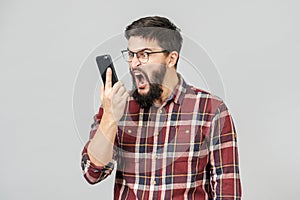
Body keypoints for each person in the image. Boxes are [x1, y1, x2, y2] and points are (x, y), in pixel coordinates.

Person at [81, 16, 242, 200]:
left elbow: (227, 190)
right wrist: (110, 117)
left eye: (144, 54)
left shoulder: (212, 110)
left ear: (171, 58)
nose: (134, 64)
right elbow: (92, 173)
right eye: (131, 54)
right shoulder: (117, 106)